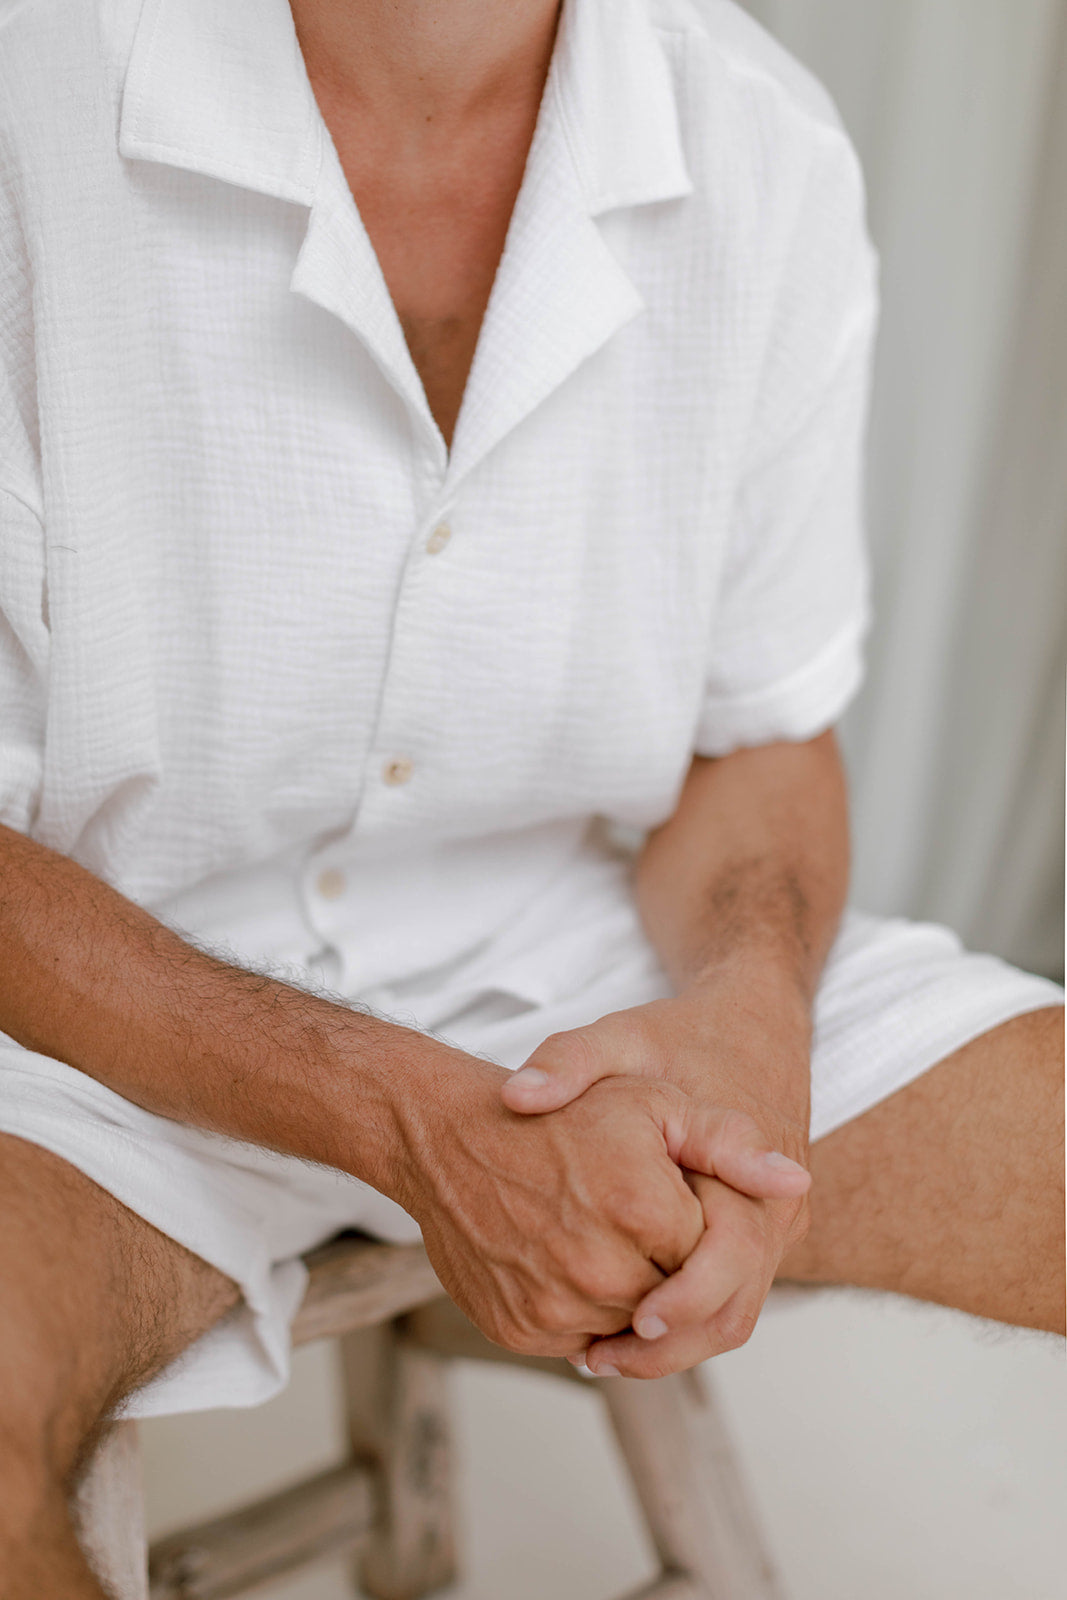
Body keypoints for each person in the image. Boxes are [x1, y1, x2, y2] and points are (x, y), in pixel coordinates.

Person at [0, 0, 1062, 1592]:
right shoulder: (34, 98)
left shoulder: (761, 148)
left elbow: (759, 737)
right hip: (74, 1038)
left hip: (567, 982)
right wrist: (398, 1118)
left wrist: (750, 1019)